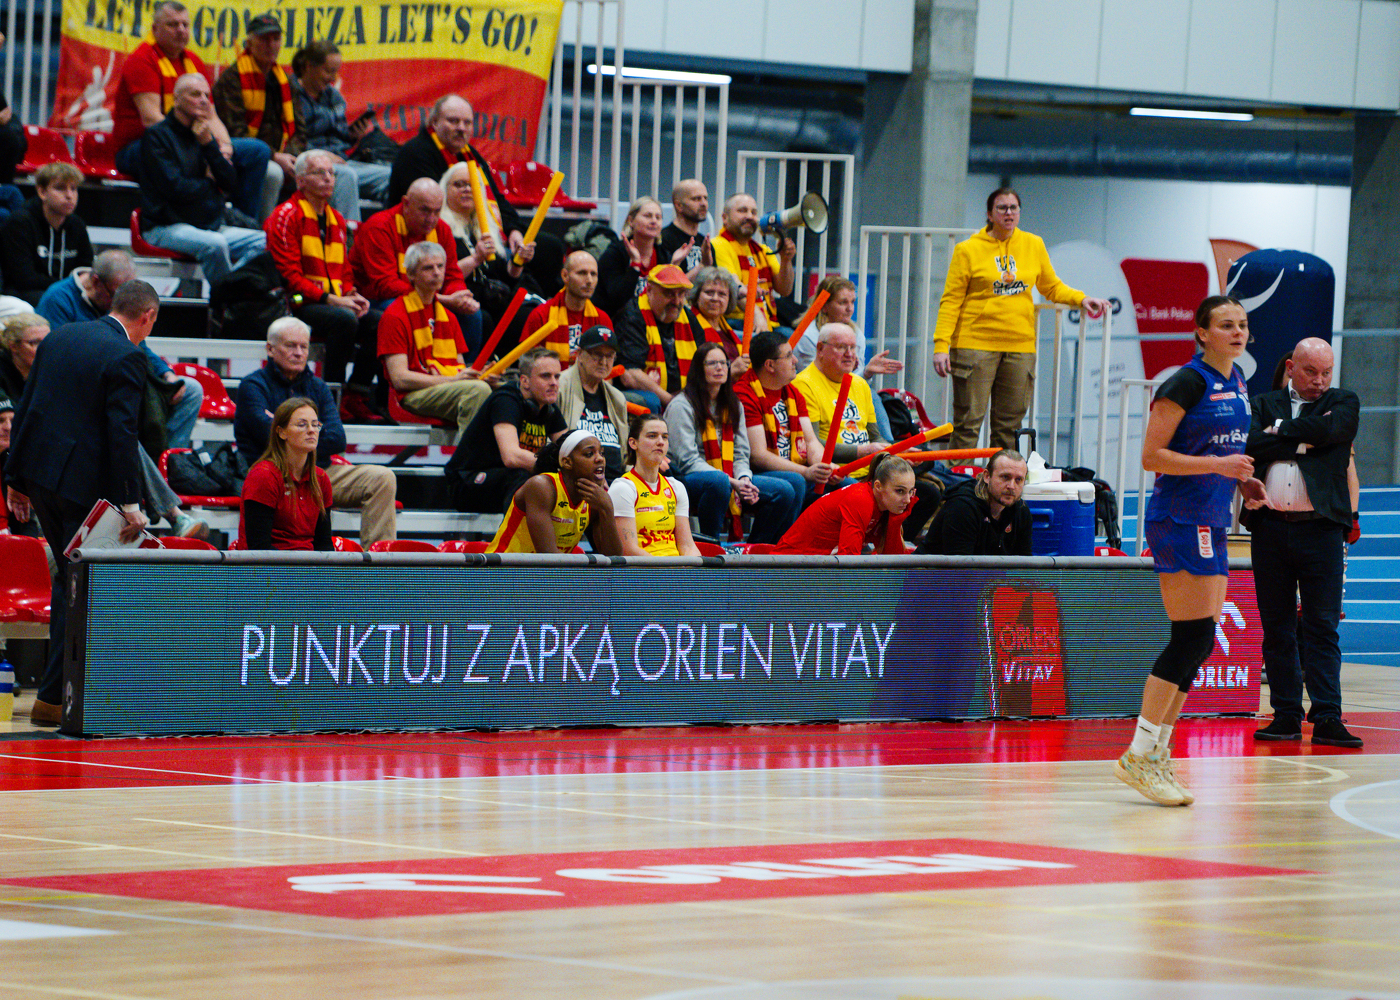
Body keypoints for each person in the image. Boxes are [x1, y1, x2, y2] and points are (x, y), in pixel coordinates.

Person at [1115, 295, 1269, 807]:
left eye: (1242, 324)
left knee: (1200, 643)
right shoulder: (1186, 382)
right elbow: (1151, 456)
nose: (1237, 332)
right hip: (1179, 518)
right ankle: (1139, 754)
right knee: (1191, 638)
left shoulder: (1238, 380)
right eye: (1226, 325)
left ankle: (1158, 752)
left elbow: (1222, 451)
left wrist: (1241, 480)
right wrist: (1219, 467)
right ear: (1202, 332)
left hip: (1211, 516)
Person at [4, 281, 162, 726]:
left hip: (40, 478)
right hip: (82, 489)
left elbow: (28, 406)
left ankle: (55, 698)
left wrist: (14, 477)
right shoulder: (127, 355)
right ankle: (58, 697)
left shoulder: (61, 336)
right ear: (148, 317)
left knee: (69, 585)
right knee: (83, 591)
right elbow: (122, 433)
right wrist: (131, 502)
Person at [1246, 337, 1362, 748]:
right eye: (1311, 371)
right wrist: (1306, 439)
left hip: (1322, 530)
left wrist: (1279, 432)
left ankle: (1327, 716)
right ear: (1291, 367)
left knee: (1322, 626)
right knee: (1277, 627)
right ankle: (1286, 715)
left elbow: (1334, 430)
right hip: (1270, 529)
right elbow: (1250, 443)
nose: (1319, 381)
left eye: (1326, 372)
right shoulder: (1262, 404)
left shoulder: (1343, 401)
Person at [933, 187, 1110, 451]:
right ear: (989, 214)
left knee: (1009, 427)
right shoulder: (967, 249)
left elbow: (1052, 287)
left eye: (1013, 208)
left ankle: (1003, 476)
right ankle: (959, 477)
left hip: (1020, 346)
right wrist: (941, 345)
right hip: (974, 346)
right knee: (968, 424)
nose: (1008, 213)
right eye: (1001, 208)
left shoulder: (1033, 244)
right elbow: (951, 300)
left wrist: (1081, 299)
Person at [1, 309, 204, 538]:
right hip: (25, 459)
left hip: (53, 458)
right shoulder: (6, 373)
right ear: (13, 346)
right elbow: (15, 424)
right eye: (34, 342)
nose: (43, 347)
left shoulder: (58, 368)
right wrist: (14, 477)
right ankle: (172, 512)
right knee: (121, 438)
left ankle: (170, 500)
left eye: (45, 340)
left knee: (121, 438)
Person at [236, 317, 397, 547]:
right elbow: (266, 436)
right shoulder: (252, 386)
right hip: (275, 473)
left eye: (304, 347)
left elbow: (338, 438)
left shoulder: (318, 387)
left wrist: (297, 436)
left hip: (317, 470)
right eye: (291, 346)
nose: (299, 353)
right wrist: (304, 438)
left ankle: (379, 562)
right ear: (270, 349)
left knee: (382, 478)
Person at [111, 0, 272, 221]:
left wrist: (223, 146)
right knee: (196, 156)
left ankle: (242, 221)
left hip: (189, 140)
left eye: (185, 25)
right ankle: (208, 216)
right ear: (155, 29)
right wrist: (200, 145)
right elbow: (151, 120)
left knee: (258, 151)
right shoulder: (141, 60)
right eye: (172, 25)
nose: (181, 30)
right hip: (140, 146)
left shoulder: (194, 62)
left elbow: (211, 115)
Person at [34, 251, 203, 451]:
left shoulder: (116, 300)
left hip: (116, 378)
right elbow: (56, 357)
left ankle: (168, 461)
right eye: (116, 295)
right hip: (81, 386)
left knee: (190, 390)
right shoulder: (57, 300)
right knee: (127, 395)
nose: (122, 303)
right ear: (96, 282)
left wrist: (166, 373)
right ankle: (138, 458)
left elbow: (139, 345)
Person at [793, 322, 942, 540]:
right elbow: (813, 443)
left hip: (872, 473)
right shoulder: (803, 384)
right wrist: (862, 452)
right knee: (863, 495)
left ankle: (886, 544)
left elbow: (876, 436)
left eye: (853, 348)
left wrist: (895, 452)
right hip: (837, 475)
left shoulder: (859, 384)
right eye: (841, 347)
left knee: (928, 495)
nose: (849, 354)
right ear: (820, 349)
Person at [264, 149, 382, 423]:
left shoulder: (337, 220)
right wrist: (334, 300)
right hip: (295, 303)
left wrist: (352, 294)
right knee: (344, 320)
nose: (328, 178)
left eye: (331, 173)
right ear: (300, 180)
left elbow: (345, 271)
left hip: (331, 302)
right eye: (320, 173)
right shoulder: (285, 215)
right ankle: (330, 399)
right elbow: (289, 277)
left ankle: (357, 395)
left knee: (380, 322)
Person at [663, 340, 800, 543]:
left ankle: (756, 550)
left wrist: (744, 478)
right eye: (712, 363)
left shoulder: (733, 404)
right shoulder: (681, 406)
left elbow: (741, 454)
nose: (719, 368)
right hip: (688, 478)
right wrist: (730, 481)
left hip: (729, 476)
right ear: (699, 369)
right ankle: (711, 545)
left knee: (787, 488)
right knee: (718, 483)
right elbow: (687, 461)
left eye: (723, 363)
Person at [212, 16, 346, 221]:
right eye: (264, 39)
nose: (271, 45)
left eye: (276, 39)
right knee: (274, 173)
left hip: (286, 155)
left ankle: (334, 232)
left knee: (339, 173)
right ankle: (262, 233)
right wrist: (275, 156)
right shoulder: (232, 79)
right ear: (249, 43)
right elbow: (235, 132)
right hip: (249, 156)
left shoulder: (283, 79)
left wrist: (295, 158)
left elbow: (299, 130)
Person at [138, 73, 267, 284]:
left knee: (266, 242)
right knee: (215, 244)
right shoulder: (157, 137)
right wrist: (209, 183)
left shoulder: (203, 135)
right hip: (166, 226)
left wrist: (208, 144)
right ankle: (227, 299)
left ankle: (232, 288)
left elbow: (230, 183)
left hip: (207, 224)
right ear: (176, 99)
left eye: (207, 95)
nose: (204, 100)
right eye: (195, 94)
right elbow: (175, 188)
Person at [376, 241, 493, 439]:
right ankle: (468, 457)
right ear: (411, 275)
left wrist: (481, 375)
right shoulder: (395, 315)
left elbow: (458, 368)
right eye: (428, 268)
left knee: (501, 391)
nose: (437, 273)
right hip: (412, 395)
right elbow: (400, 379)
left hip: (445, 387)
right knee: (477, 391)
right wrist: (453, 380)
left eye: (440, 266)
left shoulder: (449, 317)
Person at [349, 177, 482, 347]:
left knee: (472, 315)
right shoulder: (379, 227)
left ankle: (460, 365)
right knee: (401, 310)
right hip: (376, 299)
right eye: (425, 210)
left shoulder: (442, 229)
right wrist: (442, 300)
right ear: (406, 203)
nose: (431, 219)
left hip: (428, 297)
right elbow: (386, 286)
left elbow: (452, 275)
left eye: (437, 211)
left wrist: (460, 296)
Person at [444, 348, 566, 513]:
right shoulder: (506, 401)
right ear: (525, 381)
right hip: (467, 482)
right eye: (546, 376)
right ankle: (515, 530)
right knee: (524, 478)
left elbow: (570, 447)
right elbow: (512, 457)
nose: (554, 383)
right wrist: (559, 467)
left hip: (503, 481)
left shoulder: (548, 407)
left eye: (557, 376)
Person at [792, 275, 903, 443]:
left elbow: (853, 381)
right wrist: (864, 373)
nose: (850, 309)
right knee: (869, 393)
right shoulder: (808, 336)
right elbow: (827, 377)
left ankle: (888, 445)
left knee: (867, 392)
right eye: (843, 302)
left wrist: (866, 373)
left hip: (846, 393)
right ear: (825, 306)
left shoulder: (856, 334)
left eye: (852, 302)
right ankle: (887, 446)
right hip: (819, 397)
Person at [438, 161, 539, 347]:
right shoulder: (438, 228)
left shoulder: (485, 226)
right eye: (459, 184)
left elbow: (505, 277)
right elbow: (439, 276)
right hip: (461, 300)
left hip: (492, 298)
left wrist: (519, 261)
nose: (467, 189)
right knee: (483, 318)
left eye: (472, 185)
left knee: (533, 314)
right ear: (445, 190)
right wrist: (475, 259)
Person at [289, 39, 392, 207]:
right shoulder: (290, 94)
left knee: (392, 176)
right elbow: (292, 141)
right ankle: (346, 225)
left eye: (335, 72)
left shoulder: (334, 96)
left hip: (341, 160)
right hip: (311, 163)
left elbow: (341, 137)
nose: (332, 78)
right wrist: (321, 156)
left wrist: (352, 135)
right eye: (328, 71)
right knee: (346, 176)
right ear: (309, 66)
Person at [486, 429, 622, 555]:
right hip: (502, 569)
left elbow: (614, 559)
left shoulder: (596, 499)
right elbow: (548, 556)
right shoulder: (542, 486)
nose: (600, 459)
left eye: (602, 453)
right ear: (567, 462)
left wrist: (607, 509)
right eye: (589, 454)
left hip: (546, 572)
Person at [736, 330, 832, 507]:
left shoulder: (793, 392)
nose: (795, 360)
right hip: (756, 472)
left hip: (795, 469)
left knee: (843, 484)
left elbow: (811, 442)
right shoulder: (745, 394)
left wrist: (825, 467)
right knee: (795, 482)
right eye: (788, 356)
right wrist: (805, 471)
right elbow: (758, 456)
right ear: (770, 365)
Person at [238, 396, 333, 551]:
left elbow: (324, 545)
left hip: (309, 564)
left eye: (315, 425)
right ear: (281, 432)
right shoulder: (263, 476)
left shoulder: (321, 478)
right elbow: (259, 547)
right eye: (302, 425)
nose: (311, 430)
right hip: (269, 564)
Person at [775, 455, 915, 555]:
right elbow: (848, 561)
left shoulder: (884, 504)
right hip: (788, 566)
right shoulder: (861, 499)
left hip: (815, 564)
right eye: (900, 491)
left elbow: (893, 561)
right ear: (878, 486)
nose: (908, 500)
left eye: (910, 492)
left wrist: (896, 521)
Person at [0, 162, 93, 305]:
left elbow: (85, 269)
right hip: (22, 295)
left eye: (73, 189)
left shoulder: (77, 225)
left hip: (65, 293)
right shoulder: (19, 223)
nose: (69, 195)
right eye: (60, 188)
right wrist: (70, 285)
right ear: (42, 192)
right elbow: (24, 279)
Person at [609, 413, 700, 557]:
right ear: (633, 443)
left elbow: (687, 546)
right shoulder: (623, 488)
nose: (660, 442)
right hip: (644, 569)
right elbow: (629, 550)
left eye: (665, 437)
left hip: (676, 567)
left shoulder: (676, 487)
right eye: (652, 436)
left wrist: (694, 569)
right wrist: (666, 569)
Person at [916, 449, 1032, 555]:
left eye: (1018, 479)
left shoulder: (1021, 510)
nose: (1011, 486)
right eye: (1005, 477)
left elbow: (1025, 563)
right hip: (928, 570)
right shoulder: (962, 508)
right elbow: (960, 567)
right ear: (987, 476)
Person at [616, 263, 697, 413]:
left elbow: (703, 361)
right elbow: (630, 375)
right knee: (651, 401)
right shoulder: (633, 316)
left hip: (682, 395)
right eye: (669, 294)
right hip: (645, 396)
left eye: (681, 294)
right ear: (650, 291)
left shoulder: (688, 318)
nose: (677, 302)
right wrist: (673, 403)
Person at [710, 193, 795, 329]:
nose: (749, 216)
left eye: (754, 212)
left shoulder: (763, 250)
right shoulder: (718, 245)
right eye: (742, 211)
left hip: (769, 320)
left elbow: (785, 290)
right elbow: (733, 286)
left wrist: (786, 260)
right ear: (725, 218)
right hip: (735, 321)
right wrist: (756, 315)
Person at [557, 325, 628, 480]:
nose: (604, 362)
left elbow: (626, 455)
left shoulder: (617, 398)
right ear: (579, 354)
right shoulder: (559, 387)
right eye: (597, 354)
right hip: (577, 481)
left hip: (617, 481)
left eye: (609, 356)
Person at [521, 250, 611, 365]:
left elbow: (607, 366)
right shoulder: (540, 316)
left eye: (593, 274)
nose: (589, 280)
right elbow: (527, 365)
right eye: (582, 273)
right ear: (565, 276)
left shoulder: (603, 320)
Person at [596, 196, 678, 319]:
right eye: (647, 216)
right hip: (619, 322)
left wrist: (674, 266)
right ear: (631, 221)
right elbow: (618, 299)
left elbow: (671, 300)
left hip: (654, 322)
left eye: (658, 217)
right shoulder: (614, 253)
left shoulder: (664, 256)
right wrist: (635, 265)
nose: (654, 221)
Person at [687, 265, 753, 377]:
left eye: (722, 294)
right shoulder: (688, 327)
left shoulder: (727, 331)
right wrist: (731, 371)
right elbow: (692, 375)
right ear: (697, 296)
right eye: (709, 292)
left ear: (729, 299)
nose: (715, 298)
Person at [659, 178, 711, 276]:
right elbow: (666, 283)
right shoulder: (663, 240)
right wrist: (702, 266)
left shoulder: (705, 243)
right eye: (696, 199)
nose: (703, 203)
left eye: (705, 198)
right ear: (679, 205)